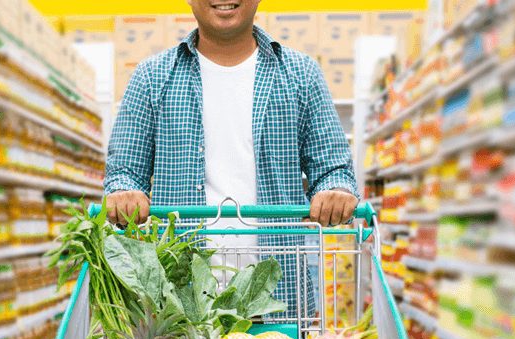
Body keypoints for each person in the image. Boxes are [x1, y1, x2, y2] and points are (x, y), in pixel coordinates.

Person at [102, 0, 359, 314]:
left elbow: (333, 168)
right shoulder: (152, 77)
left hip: (279, 300)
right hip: (180, 306)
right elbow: (123, 173)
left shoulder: (300, 75)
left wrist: (336, 192)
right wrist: (123, 193)